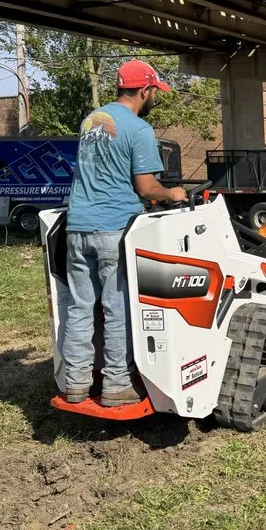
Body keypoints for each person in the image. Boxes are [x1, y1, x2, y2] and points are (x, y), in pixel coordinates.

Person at [62, 59, 187, 407]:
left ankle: (76, 383)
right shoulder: (138, 129)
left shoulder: (92, 120)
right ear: (145, 90)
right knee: (116, 307)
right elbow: (147, 188)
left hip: (78, 226)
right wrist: (172, 194)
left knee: (80, 307)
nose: (153, 99)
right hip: (113, 227)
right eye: (154, 93)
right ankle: (116, 384)